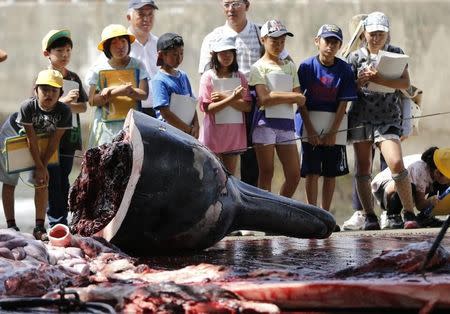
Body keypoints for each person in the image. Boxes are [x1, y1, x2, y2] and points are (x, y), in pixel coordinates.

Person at [199, 0, 284, 187]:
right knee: (218, 165)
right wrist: (228, 97)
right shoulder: (212, 37)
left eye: (236, 3)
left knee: (252, 162)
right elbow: (205, 81)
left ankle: (249, 209)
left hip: (255, 103)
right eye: (226, 4)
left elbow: (284, 63)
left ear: (247, 5)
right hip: (221, 107)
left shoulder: (261, 33)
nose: (231, 9)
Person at [346, 11, 418, 230]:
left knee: (396, 162)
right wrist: (359, 81)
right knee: (363, 167)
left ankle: (408, 211)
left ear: (387, 34)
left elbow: (405, 83)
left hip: (388, 118)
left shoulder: (396, 53)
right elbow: (349, 90)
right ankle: (369, 215)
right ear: (364, 34)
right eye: (372, 34)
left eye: (380, 33)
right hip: (361, 117)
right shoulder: (354, 57)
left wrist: (380, 79)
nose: (376, 38)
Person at [296, 24, 357, 228]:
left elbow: (343, 103)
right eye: (326, 41)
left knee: (331, 172)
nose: (330, 46)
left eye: (335, 42)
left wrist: (333, 131)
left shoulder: (345, 69)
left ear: (340, 45)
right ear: (317, 41)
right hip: (309, 122)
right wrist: (310, 130)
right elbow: (300, 101)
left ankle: (326, 215)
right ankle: (312, 215)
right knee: (312, 171)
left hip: (334, 123)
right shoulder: (305, 67)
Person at [0, 69, 72, 240]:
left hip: (43, 139)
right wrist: (40, 166)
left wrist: (43, 166)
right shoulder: (27, 106)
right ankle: (12, 226)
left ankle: (39, 227)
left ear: (60, 93)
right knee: (10, 180)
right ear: (36, 91)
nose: (49, 94)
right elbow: (30, 139)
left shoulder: (64, 111)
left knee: (42, 180)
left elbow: (55, 141)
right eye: (44, 89)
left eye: (54, 90)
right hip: (14, 134)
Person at [248, 19, 305, 197]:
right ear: (263, 40)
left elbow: (300, 99)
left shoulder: (290, 66)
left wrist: (279, 96)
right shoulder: (258, 67)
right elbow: (264, 98)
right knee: (266, 172)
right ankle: (264, 215)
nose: (279, 45)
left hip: (286, 125)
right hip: (264, 125)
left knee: (294, 174)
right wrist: (293, 96)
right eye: (274, 41)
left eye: (282, 41)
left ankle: (280, 209)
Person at [41, 29, 88, 228]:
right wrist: (63, 102)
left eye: (68, 50)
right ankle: (55, 223)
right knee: (52, 180)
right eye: (59, 50)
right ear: (47, 54)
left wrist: (68, 105)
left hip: (70, 135)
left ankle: (63, 222)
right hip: (50, 137)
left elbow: (84, 106)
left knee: (64, 180)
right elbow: (41, 107)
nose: (65, 55)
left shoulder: (74, 77)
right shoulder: (43, 78)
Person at [85, 24, 149, 148]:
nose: (120, 46)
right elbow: (92, 101)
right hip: (106, 129)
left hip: (131, 125)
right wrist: (117, 91)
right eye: (114, 43)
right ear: (107, 47)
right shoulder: (97, 69)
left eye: (123, 41)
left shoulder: (138, 65)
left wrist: (126, 91)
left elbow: (144, 94)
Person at [198, 36, 252, 174]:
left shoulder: (240, 77)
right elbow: (207, 109)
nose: (227, 56)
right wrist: (233, 97)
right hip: (213, 135)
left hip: (233, 135)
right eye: (222, 52)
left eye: (230, 52)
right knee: (212, 176)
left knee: (230, 177)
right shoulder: (208, 77)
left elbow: (247, 106)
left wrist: (224, 97)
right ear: (214, 55)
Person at [372, 147, 450, 229]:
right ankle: (392, 216)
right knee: (407, 185)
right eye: (448, 178)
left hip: (396, 185)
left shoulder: (433, 166)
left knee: (442, 185)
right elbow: (419, 205)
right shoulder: (421, 172)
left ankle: (425, 217)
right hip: (383, 188)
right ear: (437, 172)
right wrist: (430, 201)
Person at [152, 33, 199, 137]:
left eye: (181, 53)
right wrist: (187, 129)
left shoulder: (183, 76)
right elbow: (166, 114)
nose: (179, 58)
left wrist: (196, 125)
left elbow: (191, 103)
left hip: (187, 134)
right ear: (161, 55)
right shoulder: (159, 80)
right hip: (169, 135)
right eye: (174, 54)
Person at [127, 0, 159, 117]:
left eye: (150, 14)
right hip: (132, 111)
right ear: (128, 17)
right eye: (141, 14)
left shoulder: (159, 44)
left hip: (160, 110)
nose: (146, 19)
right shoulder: (119, 45)